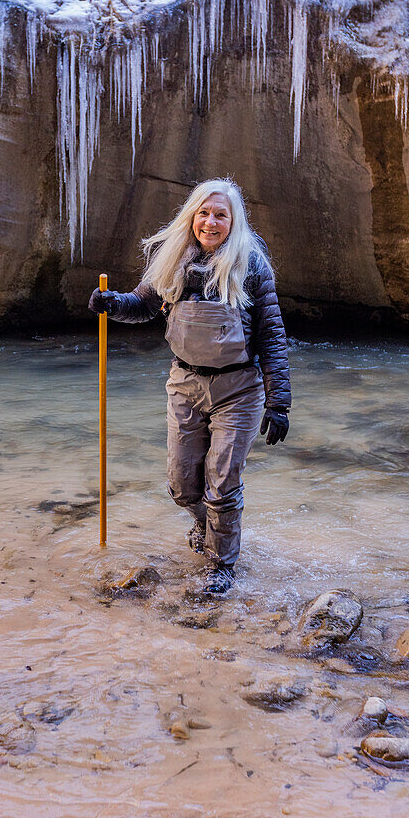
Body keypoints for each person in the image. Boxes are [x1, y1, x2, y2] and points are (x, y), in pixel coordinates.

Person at [88, 177, 291, 595]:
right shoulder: (174, 259)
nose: (211, 222)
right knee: (183, 487)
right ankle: (205, 522)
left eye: (221, 215)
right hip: (185, 384)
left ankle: (220, 566)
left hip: (238, 389)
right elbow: (143, 305)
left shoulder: (252, 266)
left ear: (234, 222)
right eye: (204, 213)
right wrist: (111, 304)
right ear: (192, 216)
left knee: (222, 481)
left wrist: (279, 402)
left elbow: (271, 335)